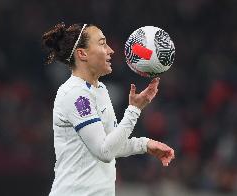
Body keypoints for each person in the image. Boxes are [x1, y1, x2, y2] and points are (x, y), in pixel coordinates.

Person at [42, 22, 175, 196]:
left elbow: (112, 145)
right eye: (102, 44)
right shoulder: (75, 94)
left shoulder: (100, 90)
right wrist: (134, 110)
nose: (111, 50)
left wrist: (145, 144)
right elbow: (104, 151)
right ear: (82, 54)